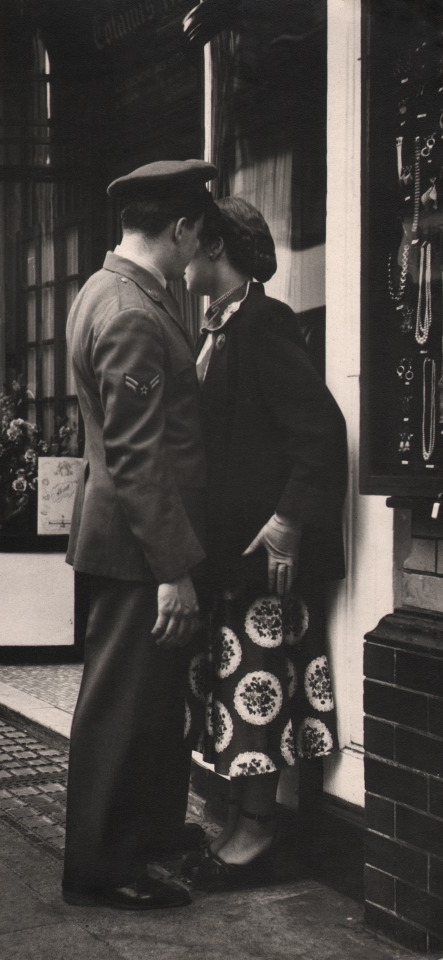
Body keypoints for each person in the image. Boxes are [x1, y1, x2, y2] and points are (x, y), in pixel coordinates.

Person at [62, 159, 217, 910]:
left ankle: (140, 850)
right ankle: (103, 868)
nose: (197, 250)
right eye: (196, 233)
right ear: (180, 228)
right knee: (122, 710)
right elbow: (136, 453)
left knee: (144, 709)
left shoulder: (104, 289)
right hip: (136, 547)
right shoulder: (132, 309)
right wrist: (173, 568)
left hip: (122, 539)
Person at [182, 197, 348, 891]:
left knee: (257, 695)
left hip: (266, 565)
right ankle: (238, 826)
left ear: (216, 247)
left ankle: (256, 835)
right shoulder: (217, 326)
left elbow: (320, 432)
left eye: (189, 239)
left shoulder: (263, 322)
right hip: (230, 562)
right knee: (235, 694)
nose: (181, 251)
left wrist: (286, 522)